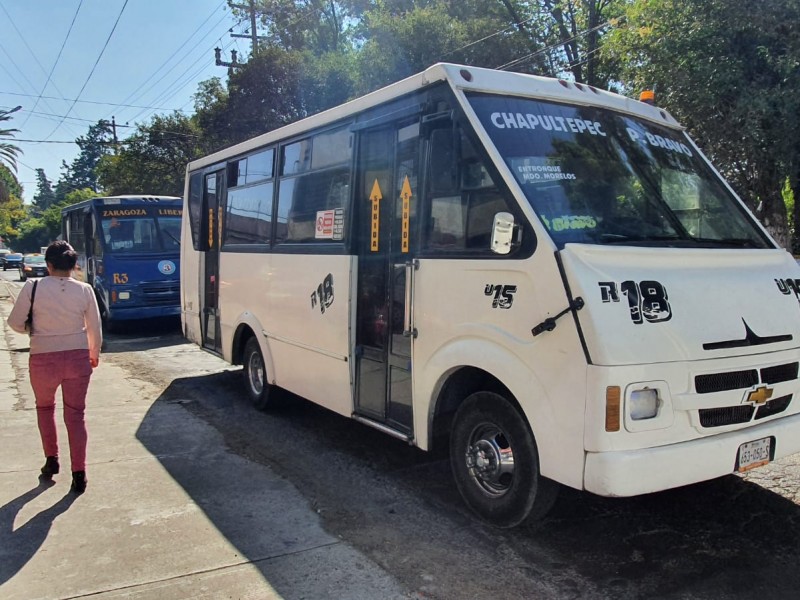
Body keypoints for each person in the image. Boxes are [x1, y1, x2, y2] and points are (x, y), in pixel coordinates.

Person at [7, 241, 102, 494]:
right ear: (74, 265)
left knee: (45, 408)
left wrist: (34, 330)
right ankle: (79, 473)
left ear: (48, 265)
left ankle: (51, 460)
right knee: (76, 415)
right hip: (77, 357)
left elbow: (15, 322)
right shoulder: (84, 290)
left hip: (43, 357)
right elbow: (94, 326)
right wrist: (94, 353)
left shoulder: (33, 287)